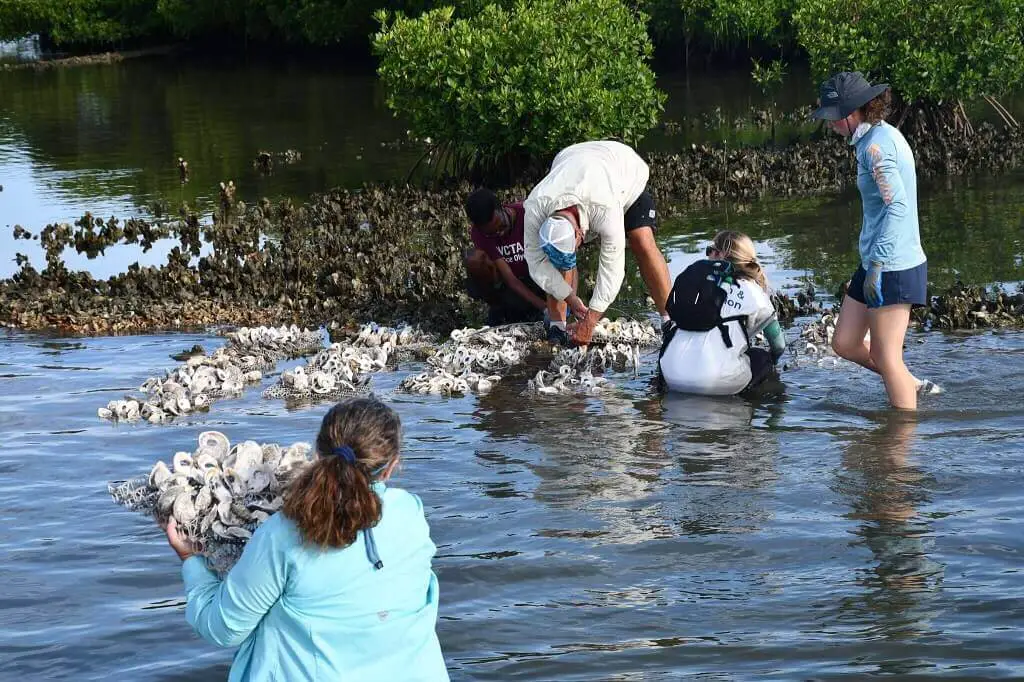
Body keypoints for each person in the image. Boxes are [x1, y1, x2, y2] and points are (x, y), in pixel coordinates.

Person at [162, 398, 449, 682]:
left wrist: (192, 562)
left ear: (318, 453)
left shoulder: (283, 534)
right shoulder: (411, 512)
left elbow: (223, 628)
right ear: (391, 466)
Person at [811, 71, 939, 410]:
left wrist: (878, 266)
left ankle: (898, 448)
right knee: (845, 342)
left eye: (834, 117)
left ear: (854, 112)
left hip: (893, 264)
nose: (831, 124)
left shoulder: (877, 149)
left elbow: (896, 205)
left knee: (886, 356)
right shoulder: (870, 140)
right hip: (874, 260)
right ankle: (911, 386)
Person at [523, 140, 672, 345]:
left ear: (578, 233)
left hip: (623, 171)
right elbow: (536, 262)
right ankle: (558, 326)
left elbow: (612, 269)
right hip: (570, 159)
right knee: (556, 260)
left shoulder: (604, 208)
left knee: (641, 240)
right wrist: (572, 299)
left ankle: (670, 319)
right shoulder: (534, 208)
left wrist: (590, 322)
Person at [659, 231, 786, 396]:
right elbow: (779, 346)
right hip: (718, 383)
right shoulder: (753, 293)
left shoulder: (692, 284)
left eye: (709, 249)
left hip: (671, 376)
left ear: (717, 254)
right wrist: (774, 360)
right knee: (762, 358)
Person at [464, 188, 547, 326]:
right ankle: (499, 308)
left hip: (539, 277)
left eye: (502, 226)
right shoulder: (479, 234)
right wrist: (545, 308)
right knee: (474, 260)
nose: (500, 234)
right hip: (512, 284)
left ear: (502, 208)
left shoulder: (528, 214)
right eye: (493, 233)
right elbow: (510, 278)